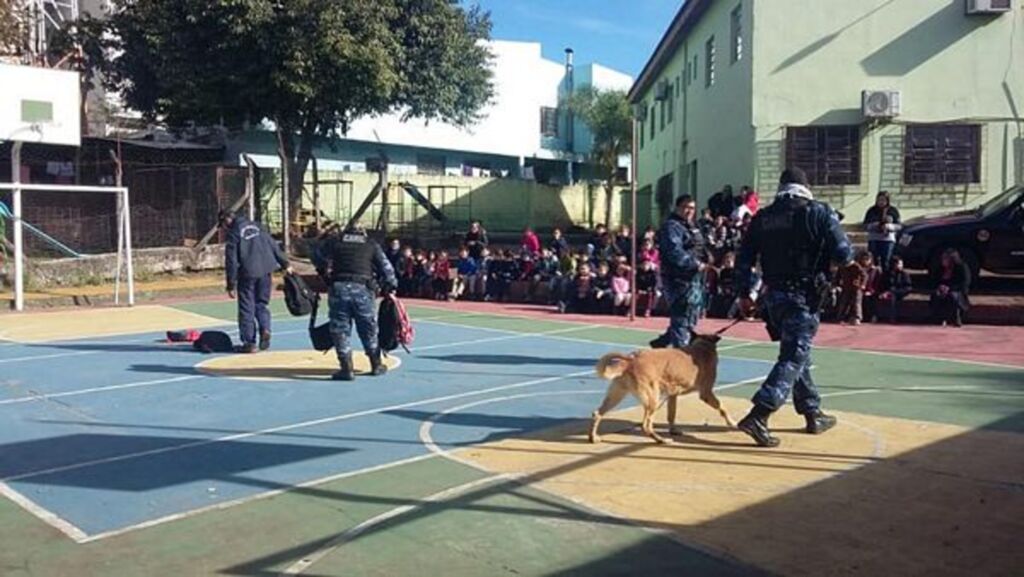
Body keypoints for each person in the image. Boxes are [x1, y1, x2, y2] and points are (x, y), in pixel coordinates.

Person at [735, 168, 853, 447]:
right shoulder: (819, 212)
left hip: (773, 298)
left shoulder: (763, 217)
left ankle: (812, 411)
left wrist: (744, 293)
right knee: (792, 356)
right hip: (804, 297)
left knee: (797, 353)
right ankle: (759, 413)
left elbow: (744, 259)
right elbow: (845, 255)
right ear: (806, 186)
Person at [313, 225, 398, 381]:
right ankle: (376, 364)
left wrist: (324, 273)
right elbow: (387, 268)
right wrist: (391, 286)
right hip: (363, 290)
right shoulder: (370, 244)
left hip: (339, 289)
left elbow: (317, 255)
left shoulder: (335, 241)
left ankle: (346, 368)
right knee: (368, 327)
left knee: (340, 329)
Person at [220, 209, 292, 353]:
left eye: (223, 224)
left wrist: (231, 284)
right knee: (261, 303)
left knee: (246, 307)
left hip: (247, 273)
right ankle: (265, 328)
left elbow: (231, 261)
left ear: (227, 220)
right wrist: (285, 264)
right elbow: (273, 246)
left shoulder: (234, 233)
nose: (223, 228)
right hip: (266, 270)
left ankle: (249, 342)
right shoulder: (258, 226)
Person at [650, 195, 709, 348]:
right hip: (677, 279)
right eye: (685, 207)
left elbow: (700, 246)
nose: (689, 211)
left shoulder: (692, 226)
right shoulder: (671, 227)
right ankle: (680, 353)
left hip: (694, 278)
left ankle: (662, 343)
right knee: (681, 316)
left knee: (690, 316)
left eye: (692, 208)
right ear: (677, 207)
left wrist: (708, 257)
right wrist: (695, 264)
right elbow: (674, 251)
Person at [929, 249, 971, 327]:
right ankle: (939, 318)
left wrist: (950, 288)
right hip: (942, 290)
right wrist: (940, 287)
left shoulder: (962, 268)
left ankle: (956, 318)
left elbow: (964, 283)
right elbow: (934, 281)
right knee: (936, 295)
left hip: (958, 291)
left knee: (952, 296)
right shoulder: (940, 269)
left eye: (945, 258)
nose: (943, 260)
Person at [863, 191, 901, 271]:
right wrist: (874, 225)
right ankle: (874, 279)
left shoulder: (893, 210)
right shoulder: (871, 211)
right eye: (879, 200)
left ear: (887, 201)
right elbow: (865, 225)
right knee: (873, 260)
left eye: (883, 200)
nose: (881, 202)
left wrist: (889, 226)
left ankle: (886, 279)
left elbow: (899, 226)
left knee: (886, 260)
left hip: (887, 240)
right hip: (874, 239)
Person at [878, 255, 912, 323]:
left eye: (901, 264)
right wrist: (883, 292)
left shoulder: (904, 274)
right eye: (899, 264)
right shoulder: (887, 274)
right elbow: (882, 285)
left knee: (892, 298)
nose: (901, 265)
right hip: (887, 292)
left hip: (899, 292)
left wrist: (892, 292)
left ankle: (892, 318)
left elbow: (908, 287)